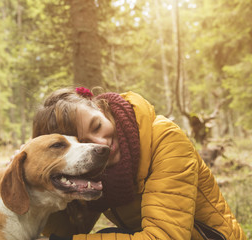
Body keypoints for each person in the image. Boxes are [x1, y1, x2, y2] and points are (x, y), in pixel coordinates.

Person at [32, 87, 246, 240]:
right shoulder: (93, 169)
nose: (101, 143)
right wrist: (37, 182)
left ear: (101, 108)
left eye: (97, 126)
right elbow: (67, 230)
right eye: (86, 143)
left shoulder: (165, 138)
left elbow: (166, 236)